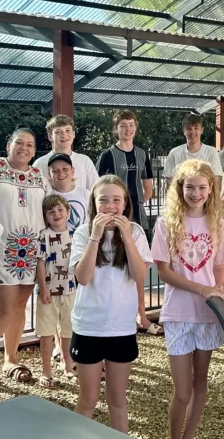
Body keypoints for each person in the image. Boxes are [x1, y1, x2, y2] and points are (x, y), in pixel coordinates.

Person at [152, 160, 224, 439]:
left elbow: (219, 267)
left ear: (211, 189)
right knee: (182, 391)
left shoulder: (219, 223)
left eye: (201, 187)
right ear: (180, 188)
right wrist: (202, 290)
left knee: (201, 381)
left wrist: (218, 289)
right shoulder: (165, 224)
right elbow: (164, 271)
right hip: (178, 313)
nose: (195, 193)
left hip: (207, 314)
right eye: (190, 187)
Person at [70, 176, 153, 434]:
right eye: (103, 200)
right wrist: (95, 235)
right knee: (87, 400)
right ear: (94, 204)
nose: (110, 206)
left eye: (116, 200)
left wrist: (127, 236)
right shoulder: (84, 232)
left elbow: (140, 276)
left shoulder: (136, 232)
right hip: (89, 327)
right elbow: (83, 278)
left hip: (121, 327)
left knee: (117, 400)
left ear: (125, 203)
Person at [0, 128, 50, 390]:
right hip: (0, 247)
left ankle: (10, 359)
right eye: (20, 142)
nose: (25, 148)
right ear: (8, 144)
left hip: (30, 249)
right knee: (3, 309)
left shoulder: (40, 176)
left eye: (30, 144)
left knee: (18, 307)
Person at [95, 109, 158, 334]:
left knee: (138, 266)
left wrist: (133, 206)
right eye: (123, 125)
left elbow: (148, 187)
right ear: (116, 129)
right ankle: (117, 316)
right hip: (112, 218)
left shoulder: (142, 154)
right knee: (112, 265)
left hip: (137, 217)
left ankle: (142, 316)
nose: (128, 129)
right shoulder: (107, 155)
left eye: (131, 125)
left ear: (136, 128)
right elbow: (98, 188)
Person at [36, 195, 78, 388]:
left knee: (68, 328)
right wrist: (43, 288)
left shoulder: (75, 234)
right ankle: (46, 371)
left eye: (60, 210)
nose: (56, 214)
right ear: (45, 216)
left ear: (68, 212)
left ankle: (68, 364)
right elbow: (41, 262)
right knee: (47, 331)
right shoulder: (43, 236)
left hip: (70, 289)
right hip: (49, 291)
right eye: (51, 211)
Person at [33, 114, 99, 190]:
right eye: (58, 132)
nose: (64, 135)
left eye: (68, 130)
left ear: (73, 134)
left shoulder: (84, 161)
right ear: (50, 136)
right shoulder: (40, 164)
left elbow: (95, 190)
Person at [164, 114, 223, 186]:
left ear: (202, 130)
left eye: (196, 128)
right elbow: (169, 180)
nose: (192, 132)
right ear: (184, 131)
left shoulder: (211, 152)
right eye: (189, 128)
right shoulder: (174, 153)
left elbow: (217, 179)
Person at [48, 153, 90, 233]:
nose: (60, 173)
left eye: (65, 169)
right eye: (55, 171)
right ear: (49, 174)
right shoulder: (48, 196)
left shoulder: (85, 193)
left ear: (72, 171)